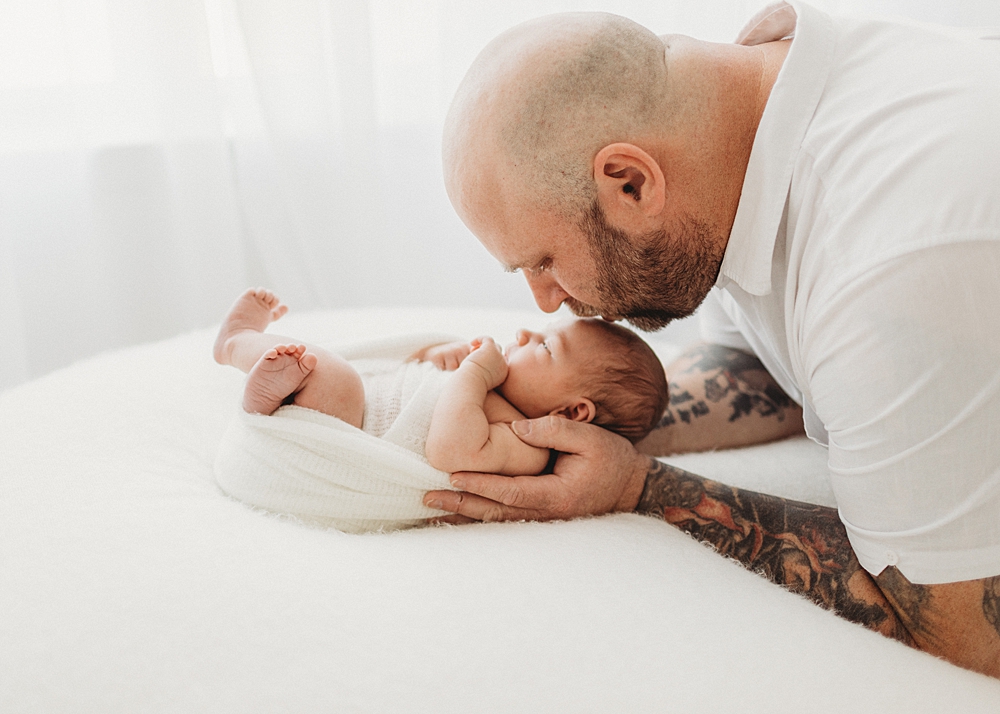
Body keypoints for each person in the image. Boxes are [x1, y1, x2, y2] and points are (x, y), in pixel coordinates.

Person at [427, 1, 1000, 677]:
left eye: (543, 261)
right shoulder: (744, 115)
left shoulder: (885, 265)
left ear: (631, 182)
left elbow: (964, 635)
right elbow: (765, 370)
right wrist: (567, 416)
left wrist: (640, 488)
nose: (544, 300)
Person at [213, 288, 668, 476]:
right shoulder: (483, 380)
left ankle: (237, 344)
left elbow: (450, 450)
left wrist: (473, 375)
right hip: (363, 398)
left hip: (352, 429)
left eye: (546, 348)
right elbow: (414, 372)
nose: (526, 334)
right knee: (315, 366)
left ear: (570, 412)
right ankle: (269, 393)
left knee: (330, 375)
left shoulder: (526, 445)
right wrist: (436, 355)